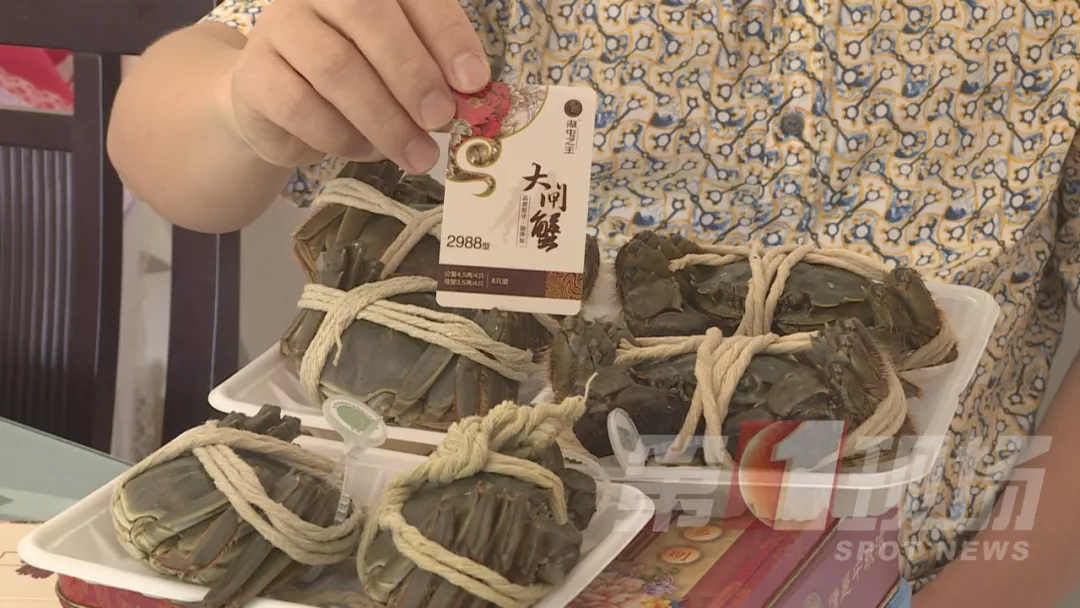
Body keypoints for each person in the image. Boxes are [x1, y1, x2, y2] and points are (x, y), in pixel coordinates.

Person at [107, 0, 1080, 604]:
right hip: (491, 538)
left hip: (917, 554)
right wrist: (243, 100)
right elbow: (162, 130)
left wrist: (988, 589)